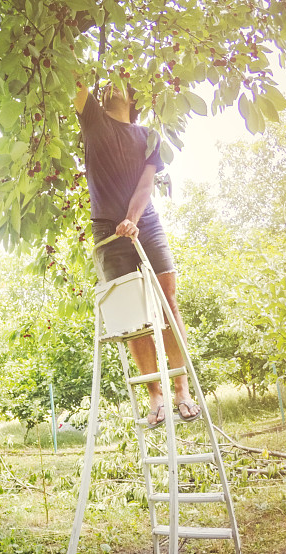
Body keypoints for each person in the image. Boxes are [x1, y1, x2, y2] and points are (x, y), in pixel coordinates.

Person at [73, 80, 201, 428]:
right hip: (106, 231)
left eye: (122, 82)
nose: (114, 84)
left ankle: (181, 389)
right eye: (109, 80)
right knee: (134, 316)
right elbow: (69, 72)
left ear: (134, 96)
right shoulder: (93, 120)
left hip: (146, 222)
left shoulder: (149, 136)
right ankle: (155, 396)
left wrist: (132, 218)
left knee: (167, 302)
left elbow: (146, 184)